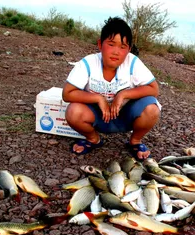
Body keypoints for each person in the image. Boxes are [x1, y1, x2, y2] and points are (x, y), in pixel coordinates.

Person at [62, 17, 160, 160]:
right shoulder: (88, 63)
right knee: (73, 112)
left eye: (122, 47)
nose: (116, 52)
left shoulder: (133, 62)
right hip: (97, 117)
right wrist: (98, 98)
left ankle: (135, 141)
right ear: (100, 44)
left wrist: (123, 95)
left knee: (152, 108)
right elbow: (67, 93)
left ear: (129, 49)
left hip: (126, 117)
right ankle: (93, 139)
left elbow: (154, 89)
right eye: (111, 44)